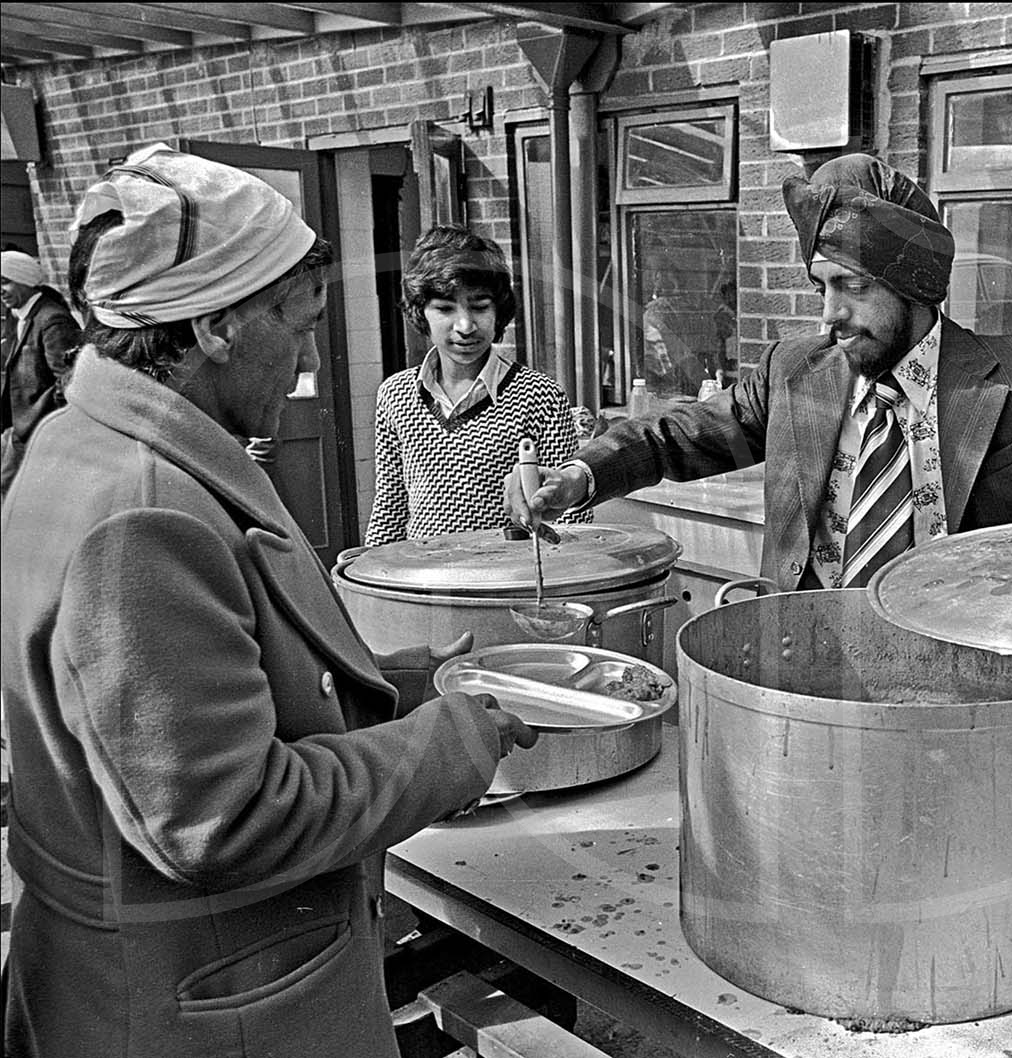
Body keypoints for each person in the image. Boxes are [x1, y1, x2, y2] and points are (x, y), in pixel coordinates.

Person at [0, 144, 538, 1058]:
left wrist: (398, 681)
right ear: (215, 327)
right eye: (301, 321)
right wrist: (454, 739)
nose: (310, 356)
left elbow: (207, 695)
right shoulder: (140, 518)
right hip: (205, 1006)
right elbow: (225, 817)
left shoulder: (80, 439)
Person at [508, 153, 1012, 589]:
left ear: (913, 287)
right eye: (821, 287)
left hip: (957, 660)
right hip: (808, 655)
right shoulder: (795, 372)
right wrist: (582, 474)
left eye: (853, 288)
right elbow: (670, 437)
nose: (830, 316)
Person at [365, 224, 588, 545]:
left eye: (480, 306)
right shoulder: (395, 394)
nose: (465, 325)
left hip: (507, 583)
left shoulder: (541, 395)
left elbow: (572, 516)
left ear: (499, 311)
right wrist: (373, 581)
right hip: (425, 583)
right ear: (420, 312)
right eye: (444, 308)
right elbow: (390, 506)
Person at [1, 250, 81, 494]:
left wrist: (46, 423)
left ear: (25, 280)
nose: (0, 290)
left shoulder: (52, 321)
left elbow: (69, 382)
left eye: (5, 281)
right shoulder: (19, 317)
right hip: (19, 428)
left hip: (40, 432)